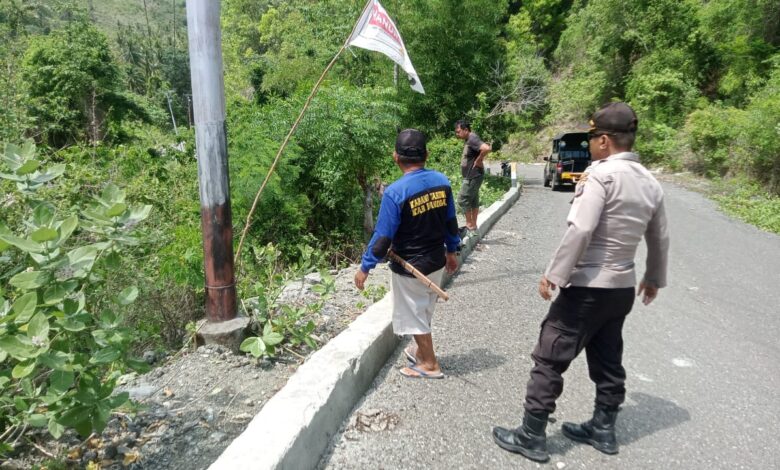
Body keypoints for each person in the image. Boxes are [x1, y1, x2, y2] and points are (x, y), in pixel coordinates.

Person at [492, 102, 670, 462]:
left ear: (604, 140)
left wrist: (554, 273)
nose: (590, 144)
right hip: (621, 289)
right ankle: (603, 429)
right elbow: (660, 237)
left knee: (549, 355)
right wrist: (653, 277)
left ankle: (531, 434)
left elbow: (582, 228)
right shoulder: (650, 182)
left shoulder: (600, 176)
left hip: (588, 286)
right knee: (607, 357)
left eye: (591, 137)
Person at [355, 128, 460, 379]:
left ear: (396, 157)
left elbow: (382, 238)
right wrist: (452, 251)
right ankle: (422, 352)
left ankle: (430, 364)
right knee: (423, 310)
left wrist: (365, 267)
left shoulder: (395, 192)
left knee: (413, 315)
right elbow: (451, 222)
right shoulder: (442, 182)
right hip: (436, 261)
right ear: (427, 154)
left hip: (411, 267)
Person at [455, 120, 491, 235]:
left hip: (473, 175)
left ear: (466, 130)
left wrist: (479, 159)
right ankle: (473, 225)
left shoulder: (472, 138)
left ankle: (469, 224)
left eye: (459, 131)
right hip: (474, 175)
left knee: (462, 199)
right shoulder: (468, 139)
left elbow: (486, 148)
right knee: (473, 199)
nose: (457, 134)